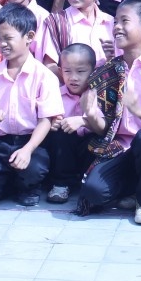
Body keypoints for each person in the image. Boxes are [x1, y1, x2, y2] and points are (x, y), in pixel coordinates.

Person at [77, 0, 141, 224]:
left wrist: (138, 110)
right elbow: (104, 129)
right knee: (94, 192)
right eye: (115, 21)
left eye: (125, 21)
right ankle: (135, 188)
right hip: (120, 148)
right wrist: (91, 115)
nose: (117, 27)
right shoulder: (108, 70)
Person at [0, 5, 62, 207]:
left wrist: (28, 149)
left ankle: (28, 186)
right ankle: (8, 181)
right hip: (0, 144)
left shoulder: (44, 76)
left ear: (29, 36)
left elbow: (46, 120)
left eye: (8, 38)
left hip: (32, 142)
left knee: (33, 167)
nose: (2, 44)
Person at [39, 0, 114, 73]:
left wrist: (111, 58)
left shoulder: (111, 23)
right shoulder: (57, 22)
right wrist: (75, 79)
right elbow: (49, 65)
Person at [44, 43, 97, 203]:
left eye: (80, 71)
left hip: (88, 150)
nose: (73, 77)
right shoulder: (55, 94)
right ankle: (61, 183)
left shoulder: (98, 95)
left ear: (93, 71)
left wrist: (84, 121)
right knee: (59, 132)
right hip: (64, 153)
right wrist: (51, 125)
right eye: (67, 71)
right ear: (60, 71)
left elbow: (106, 126)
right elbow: (44, 119)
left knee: (96, 138)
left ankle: (89, 180)